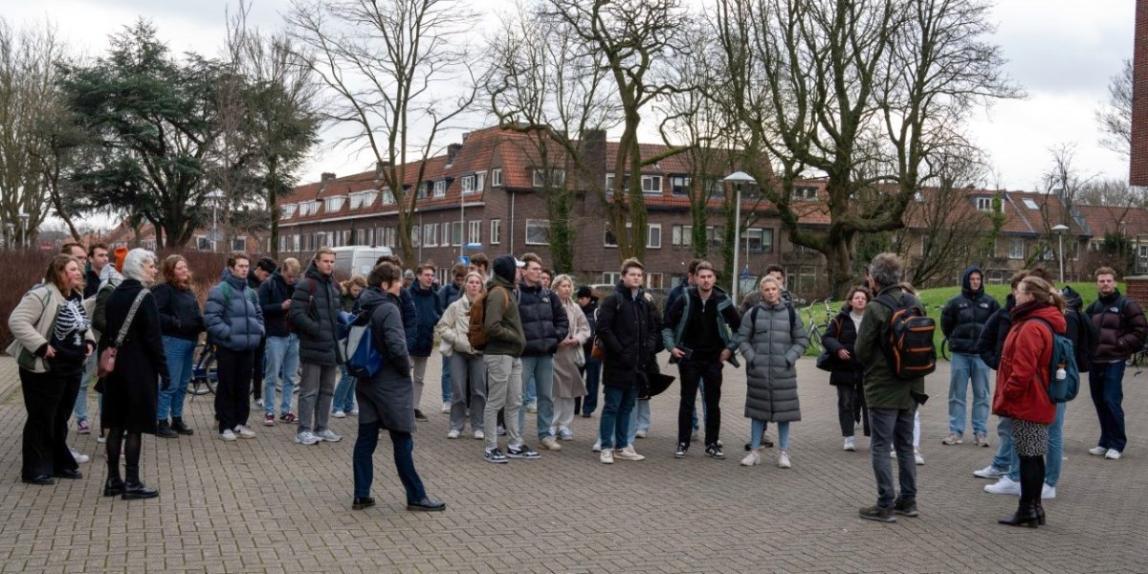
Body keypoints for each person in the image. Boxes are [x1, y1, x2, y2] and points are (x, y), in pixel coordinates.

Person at [351, 262, 445, 512]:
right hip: (390, 383)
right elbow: (396, 345)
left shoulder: (363, 303)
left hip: (366, 379)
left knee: (366, 439)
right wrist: (406, 367)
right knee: (403, 439)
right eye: (397, 280)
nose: (402, 284)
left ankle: (361, 494)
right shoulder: (388, 309)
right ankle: (416, 495)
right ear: (385, 284)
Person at [8, 254, 95, 485]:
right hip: (43, 369)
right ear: (60, 272)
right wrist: (42, 346)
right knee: (41, 418)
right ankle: (34, 469)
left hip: (70, 367)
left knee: (60, 418)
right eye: (73, 269)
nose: (79, 272)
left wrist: (89, 341)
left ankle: (58, 463)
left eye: (79, 269)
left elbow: (83, 324)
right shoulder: (41, 294)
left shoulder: (74, 296)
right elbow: (17, 321)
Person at [855, 253, 925, 522]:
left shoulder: (875, 308)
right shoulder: (915, 303)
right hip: (912, 384)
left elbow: (861, 350)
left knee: (881, 446)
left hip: (883, 385)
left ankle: (885, 503)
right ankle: (908, 500)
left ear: (874, 279)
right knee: (905, 445)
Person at [992, 276, 1066, 528]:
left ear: (1031, 296)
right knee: (1032, 456)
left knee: (1028, 457)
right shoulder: (1040, 321)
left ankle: (1028, 509)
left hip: (1028, 400)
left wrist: (1007, 394)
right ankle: (1035, 510)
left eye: (1020, 291)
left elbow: (1022, 371)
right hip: (1037, 398)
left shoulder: (1032, 326)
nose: (1015, 295)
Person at [99, 248, 169, 499]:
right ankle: (132, 483)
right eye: (151, 265)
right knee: (135, 426)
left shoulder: (115, 294)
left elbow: (107, 332)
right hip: (138, 368)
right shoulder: (145, 297)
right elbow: (153, 338)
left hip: (116, 369)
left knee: (116, 425)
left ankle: (112, 481)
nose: (154, 270)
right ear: (139, 267)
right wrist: (164, 369)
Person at [662, 260, 741, 459]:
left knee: (713, 402)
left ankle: (712, 443)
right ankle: (683, 442)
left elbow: (740, 329)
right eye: (702, 277)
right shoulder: (685, 298)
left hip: (714, 359)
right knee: (687, 401)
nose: (706, 280)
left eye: (709, 277)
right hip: (689, 358)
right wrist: (672, 347)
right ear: (695, 278)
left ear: (714, 279)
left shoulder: (722, 300)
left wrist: (729, 349)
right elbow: (667, 325)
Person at [737, 276, 809, 468]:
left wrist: (789, 358)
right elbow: (742, 339)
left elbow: (802, 340)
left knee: (784, 414)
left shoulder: (791, 314)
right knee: (757, 413)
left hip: (783, 372)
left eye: (773, 289)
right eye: (767, 289)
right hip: (758, 372)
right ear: (761, 292)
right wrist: (753, 358)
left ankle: (784, 453)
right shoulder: (752, 314)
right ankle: (754, 452)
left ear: (779, 290)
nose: (770, 292)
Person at [596, 258, 662, 464]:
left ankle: (622, 445)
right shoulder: (613, 300)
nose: (636, 278)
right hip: (617, 364)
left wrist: (649, 348)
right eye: (632, 274)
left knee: (628, 407)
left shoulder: (644, 302)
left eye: (639, 275)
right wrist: (620, 351)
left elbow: (653, 328)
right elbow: (603, 329)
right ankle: (606, 446)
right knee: (612, 406)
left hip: (638, 365)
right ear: (623, 276)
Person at [1085, 266, 1146, 460]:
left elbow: (1140, 330)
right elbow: (1085, 330)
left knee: (1111, 400)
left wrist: (1121, 345)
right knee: (1099, 401)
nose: (1105, 284)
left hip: (1114, 360)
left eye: (1108, 280)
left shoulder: (1127, 304)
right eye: (1102, 281)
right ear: (1097, 283)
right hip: (1096, 361)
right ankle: (1104, 441)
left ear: (1115, 282)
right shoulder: (1094, 307)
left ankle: (1117, 444)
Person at [481, 255, 538, 463]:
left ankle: (515, 444)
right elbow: (491, 326)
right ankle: (490, 447)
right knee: (495, 402)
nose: (520, 272)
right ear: (507, 271)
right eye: (517, 269)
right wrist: (515, 337)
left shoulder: (508, 291)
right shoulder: (498, 293)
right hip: (499, 354)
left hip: (512, 354)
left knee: (515, 401)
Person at [205, 253, 266, 442]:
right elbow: (211, 318)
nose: (244, 269)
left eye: (246, 266)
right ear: (231, 268)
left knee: (242, 387)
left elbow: (258, 314)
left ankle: (240, 423)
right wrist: (228, 333)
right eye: (240, 266)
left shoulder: (251, 292)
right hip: (228, 348)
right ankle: (225, 425)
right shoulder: (220, 290)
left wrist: (259, 330)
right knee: (227, 387)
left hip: (248, 348)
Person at [289, 248, 344, 445]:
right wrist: (316, 328)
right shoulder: (307, 285)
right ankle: (303, 430)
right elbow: (296, 314)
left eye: (332, 261)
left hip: (330, 346)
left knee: (327, 390)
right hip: (313, 346)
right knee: (309, 391)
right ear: (317, 262)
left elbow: (336, 314)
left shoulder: (333, 286)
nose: (329, 264)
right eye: (326, 261)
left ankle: (322, 427)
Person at [515, 253, 570, 451]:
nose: (539, 272)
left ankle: (545, 434)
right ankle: (517, 436)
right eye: (534, 269)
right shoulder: (516, 294)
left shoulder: (549, 295)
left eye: (540, 269)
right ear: (524, 271)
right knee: (518, 397)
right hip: (524, 355)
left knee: (546, 396)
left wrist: (554, 337)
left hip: (546, 354)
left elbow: (563, 320)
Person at [940, 266, 999, 447]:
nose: (975, 282)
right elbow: (946, 324)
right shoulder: (954, 303)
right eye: (972, 279)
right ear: (966, 280)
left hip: (981, 356)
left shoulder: (991, 303)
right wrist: (955, 340)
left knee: (982, 395)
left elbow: (996, 327)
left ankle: (980, 432)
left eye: (978, 279)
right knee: (957, 395)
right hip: (960, 354)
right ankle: (955, 432)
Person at [152, 255, 205, 438]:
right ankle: (160, 421)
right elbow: (154, 314)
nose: (184, 270)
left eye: (185, 267)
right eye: (179, 268)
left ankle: (176, 418)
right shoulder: (164, 290)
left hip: (190, 341)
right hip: (173, 340)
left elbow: (195, 314)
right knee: (170, 383)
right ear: (170, 271)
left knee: (183, 384)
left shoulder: (189, 292)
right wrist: (175, 322)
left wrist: (204, 324)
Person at [435, 271, 488, 439]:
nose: (473, 285)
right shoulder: (455, 306)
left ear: (481, 286)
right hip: (459, 353)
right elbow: (442, 326)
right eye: (470, 282)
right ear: (465, 285)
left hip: (479, 354)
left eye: (477, 283)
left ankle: (478, 426)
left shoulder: (487, 306)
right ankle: (456, 426)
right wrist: (457, 339)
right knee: (458, 390)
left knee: (479, 390)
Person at [822, 286, 871, 451]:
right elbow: (827, 337)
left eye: (863, 298)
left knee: (869, 403)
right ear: (850, 301)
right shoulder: (840, 320)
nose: (860, 300)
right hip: (844, 368)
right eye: (857, 298)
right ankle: (848, 437)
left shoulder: (872, 319)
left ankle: (872, 437)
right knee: (845, 402)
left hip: (867, 369)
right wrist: (838, 349)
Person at [259, 257, 302, 426]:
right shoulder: (268, 284)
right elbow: (260, 309)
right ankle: (269, 412)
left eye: (294, 277)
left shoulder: (297, 286)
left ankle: (286, 411)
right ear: (283, 270)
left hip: (293, 335)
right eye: (289, 276)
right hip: (275, 335)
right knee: (272, 376)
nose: (292, 280)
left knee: (290, 377)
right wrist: (280, 307)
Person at [74, 243, 110, 436]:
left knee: (104, 380)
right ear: (90, 258)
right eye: (100, 255)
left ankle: (106, 419)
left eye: (107, 255)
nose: (105, 258)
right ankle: (82, 419)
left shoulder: (110, 278)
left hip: (105, 337)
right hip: (88, 337)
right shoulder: (83, 280)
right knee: (84, 380)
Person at [550, 275, 591, 440]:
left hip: (571, 354)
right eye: (563, 286)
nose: (567, 288)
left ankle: (565, 425)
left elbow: (585, 328)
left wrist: (577, 339)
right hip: (554, 353)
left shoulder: (575, 307)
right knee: (554, 391)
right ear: (556, 288)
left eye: (569, 286)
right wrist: (557, 340)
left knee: (569, 391)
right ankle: (551, 424)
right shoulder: (550, 305)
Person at [407, 263, 443, 421]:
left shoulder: (435, 296)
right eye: (426, 275)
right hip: (409, 342)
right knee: (404, 375)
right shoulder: (407, 294)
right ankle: (403, 407)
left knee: (419, 378)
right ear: (418, 276)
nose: (430, 278)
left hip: (425, 340)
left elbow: (439, 315)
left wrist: (434, 319)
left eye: (431, 275)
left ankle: (414, 407)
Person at [333, 276, 368, 418]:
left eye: (359, 291)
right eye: (354, 290)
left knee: (353, 374)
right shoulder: (340, 296)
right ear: (349, 286)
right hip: (341, 338)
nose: (356, 293)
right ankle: (337, 406)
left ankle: (348, 405)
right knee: (346, 373)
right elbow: (338, 314)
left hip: (354, 339)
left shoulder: (362, 299)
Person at [436, 263, 468, 413]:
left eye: (463, 278)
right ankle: (447, 399)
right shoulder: (445, 290)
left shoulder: (468, 291)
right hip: (450, 335)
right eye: (458, 278)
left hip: (464, 336)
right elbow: (439, 310)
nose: (460, 281)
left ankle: (462, 400)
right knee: (447, 370)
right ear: (453, 276)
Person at [248, 257, 276, 407]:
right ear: (258, 269)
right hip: (247, 330)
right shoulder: (246, 282)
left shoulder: (267, 284)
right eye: (265, 275)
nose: (266, 279)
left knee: (259, 364)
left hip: (261, 330)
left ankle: (257, 395)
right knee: (247, 364)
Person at [576, 285, 601, 417]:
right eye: (579, 298)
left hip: (593, 351)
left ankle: (588, 408)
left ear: (589, 298)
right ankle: (574, 407)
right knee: (576, 379)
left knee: (592, 381)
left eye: (583, 298)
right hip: (578, 349)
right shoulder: (576, 311)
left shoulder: (597, 312)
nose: (581, 300)